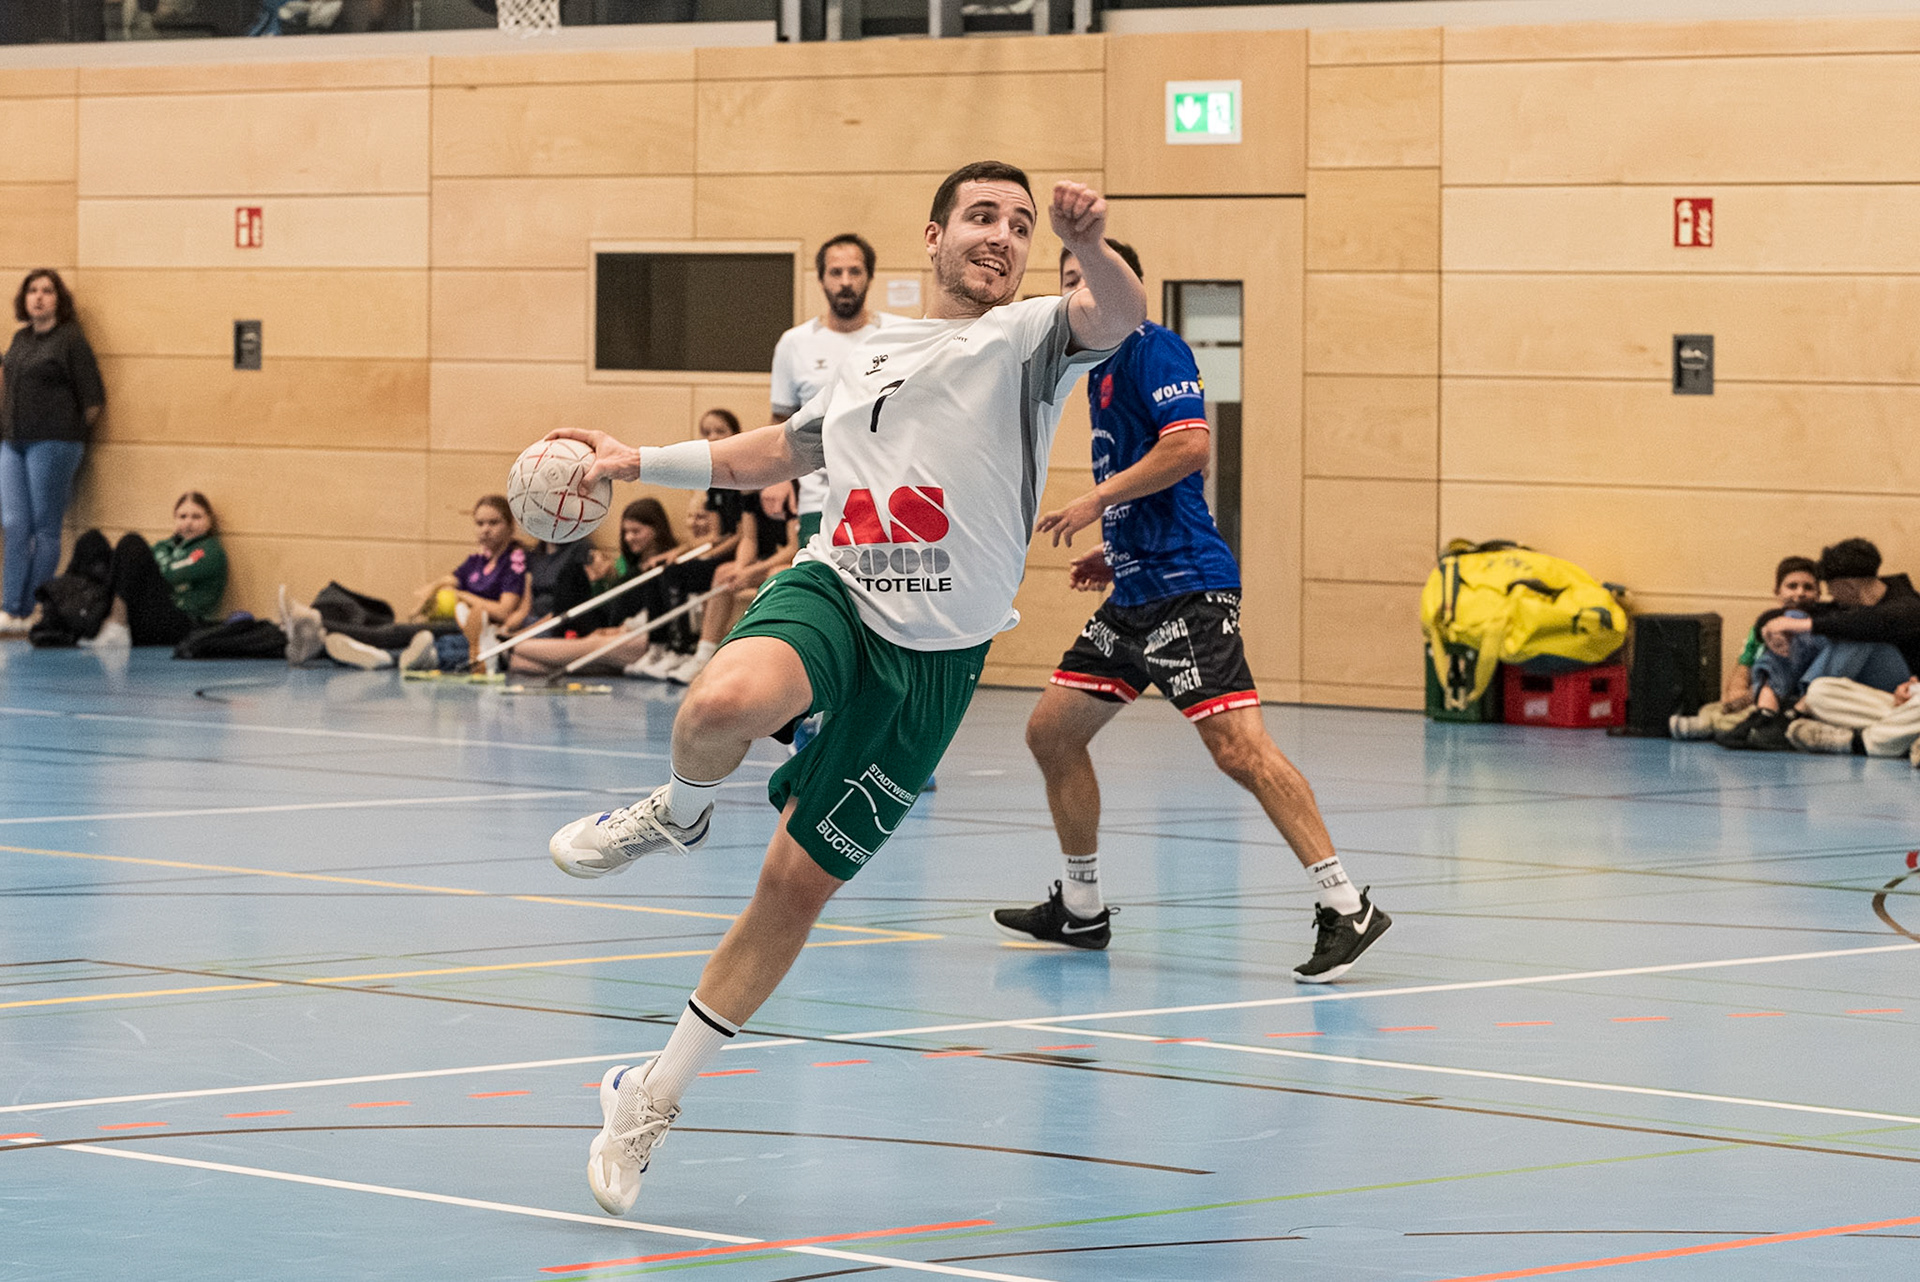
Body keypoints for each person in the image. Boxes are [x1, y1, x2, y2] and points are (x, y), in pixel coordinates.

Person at [540, 162, 1145, 1217]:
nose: (1001, 236)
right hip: (839, 590)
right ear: (934, 237)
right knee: (717, 704)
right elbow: (780, 450)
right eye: (981, 217)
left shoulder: (1034, 338)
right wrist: (639, 460)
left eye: (1018, 224)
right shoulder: (869, 356)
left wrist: (1088, 241)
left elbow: (1122, 314)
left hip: (938, 661)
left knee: (793, 889)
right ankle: (678, 811)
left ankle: (650, 1093)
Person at [987, 240, 1389, 981]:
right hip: (1134, 594)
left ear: (1126, 289)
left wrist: (1096, 500)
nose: (1079, 295)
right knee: (1051, 732)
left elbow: (1189, 448)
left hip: (1187, 589)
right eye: (1068, 284)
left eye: (1091, 281)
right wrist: (1115, 550)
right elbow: (1153, 479)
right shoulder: (1096, 370)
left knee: (1240, 751)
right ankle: (1082, 908)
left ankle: (1345, 903)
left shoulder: (1155, 348)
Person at [284, 495, 529, 670]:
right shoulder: (478, 559)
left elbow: (503, 611)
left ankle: (317, 623)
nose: (485, 530)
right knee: (394, 630)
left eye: (493, 523)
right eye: (480, 523)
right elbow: (450, 580)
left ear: (510, 526)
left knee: (395, 632)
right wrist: (431, 590)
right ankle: (369, 653)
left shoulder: (514, 561)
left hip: (477, 630)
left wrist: (463, 596)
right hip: (453, 622)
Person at [1721, 538, 1916, 750]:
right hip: (1850, 692)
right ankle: (1767, 710)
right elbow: (1807, 614)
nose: (1831, 595)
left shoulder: (1908, 605)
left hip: (1902, 692)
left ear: (1849, 586)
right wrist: (1771, 623)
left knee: (1855, 635)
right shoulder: (1854, 603)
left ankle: (1794, 715)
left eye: (1833, 589)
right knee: (1796, 619)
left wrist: (1802, 625)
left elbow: (1871, 621)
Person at [0, 270, 106, 635]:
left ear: (58, 300)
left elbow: (93, 400)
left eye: (47, 291)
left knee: (45, 528)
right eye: (33, 290)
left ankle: (33, 607)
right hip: (12, 441)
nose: (39, 297)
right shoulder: (19, 339)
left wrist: (66, 434)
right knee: (14, 524)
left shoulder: (70, 340)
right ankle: (9, 608)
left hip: (53, 442)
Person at [507, 497, 681, 677]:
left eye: (636, 531)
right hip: (611, 624)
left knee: (521, 658)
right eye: (626, 532)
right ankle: (516, 649)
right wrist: (599, 580)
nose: (629, 538)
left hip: (631, 632)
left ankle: (513, 647)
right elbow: (613, 604)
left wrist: (616, 630)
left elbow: (655, 612)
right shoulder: (628, 563)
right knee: (519, 663)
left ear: (656, 530)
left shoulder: (667, 565)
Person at [1668, 555, 1818, 739]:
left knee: (1749, 714)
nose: (1800, 593)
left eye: (1808, 587)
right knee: (1713, 707)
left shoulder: (1818, 630)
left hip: (1790, 699)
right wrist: (1737, 694)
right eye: (1792, 586)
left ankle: (1711, 727)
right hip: (1756, 696)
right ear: (1777, 592)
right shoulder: (1762, 627)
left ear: (1818, 595)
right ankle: (1717, 724)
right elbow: (1743, 666)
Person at [70, 491, 227, 649]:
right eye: (182, 516)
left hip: (178, 623)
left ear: (209, 521)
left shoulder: (209, 551)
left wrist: (126, 569)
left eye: (196, 517)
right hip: (146, 613)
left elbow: (168, 576)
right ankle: (67, 621)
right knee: (92, 542)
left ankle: (117, 625)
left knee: (131, 543)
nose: (188, 523)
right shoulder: (164, 546)